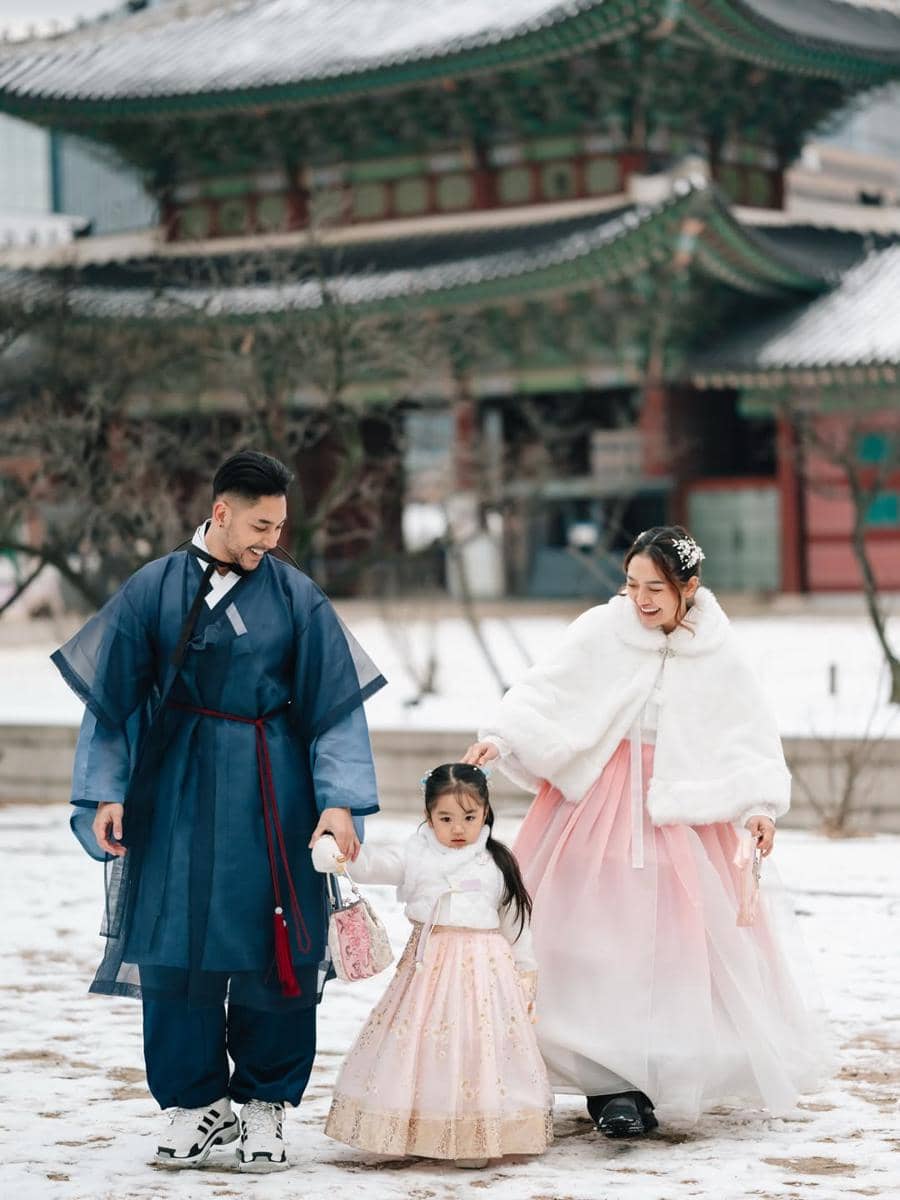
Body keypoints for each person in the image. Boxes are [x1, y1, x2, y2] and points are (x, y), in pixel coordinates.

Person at [52, 449, 385, 1172]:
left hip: (274, 786)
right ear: (222, 511)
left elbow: (333, 712)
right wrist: (107, 790)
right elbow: (113, 703)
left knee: (279, 946)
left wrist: (338, 804)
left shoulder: (298, 597)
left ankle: (266, 1101)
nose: (272, 540)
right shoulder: (152, 588)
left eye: (281, 526)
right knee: (173, 941)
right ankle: (195, 1104)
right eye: (261, 524)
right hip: (171, 788)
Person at [463, 526, 826, 1136]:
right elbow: (548, 690)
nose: (641, 599)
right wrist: (502, 737)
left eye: (655, 587)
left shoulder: (717, 651)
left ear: (689, 586)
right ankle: (609, 1086)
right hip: (596, 806)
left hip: (682, 816)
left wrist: (759, 805)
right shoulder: (603, 630)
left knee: (675, 947)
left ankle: (656, 1072)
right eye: (631, 585)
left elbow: (745, 730)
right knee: (589, 937)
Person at [312, 763, 553, 1169]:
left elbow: (516, 924)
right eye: (446, 819)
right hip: (430, 969)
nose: (459, 829)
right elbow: (372, 865)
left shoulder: (496, 862)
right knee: (426, 1048)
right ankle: (426, 1127)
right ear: (428, 816)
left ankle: (474, 1134)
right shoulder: (415, 854)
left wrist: (526, 973)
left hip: (486, 974)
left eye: (470, 818)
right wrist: (336, 854)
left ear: (485, 812)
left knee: (479, 1048)